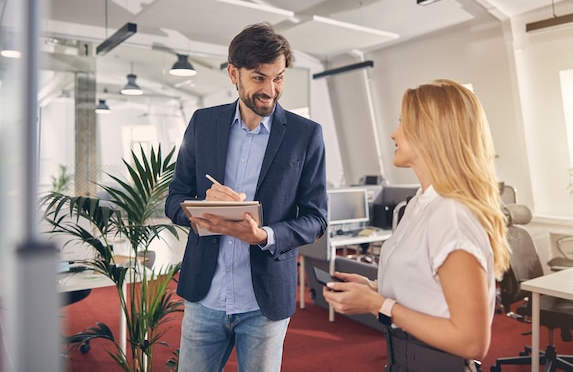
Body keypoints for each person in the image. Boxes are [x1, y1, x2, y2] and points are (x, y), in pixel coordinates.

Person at [165, 22, 328, 372]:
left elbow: (316, 218)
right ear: (233, 74)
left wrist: (264, 236)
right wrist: (196, 211)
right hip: (204, 296)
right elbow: (175, 197)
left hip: (264, 302)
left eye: (279, 78)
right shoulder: (202, 124)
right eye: (259, 78)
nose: (271, 89)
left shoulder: (306, 135)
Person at [323, 79, 510, 372]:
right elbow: (428, 290)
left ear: (430, 134)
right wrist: (373, 289)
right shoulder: (420, 203)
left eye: (403, 123)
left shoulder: (452, 215)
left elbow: (472, 342)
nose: (393, 133)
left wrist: (378, 305)